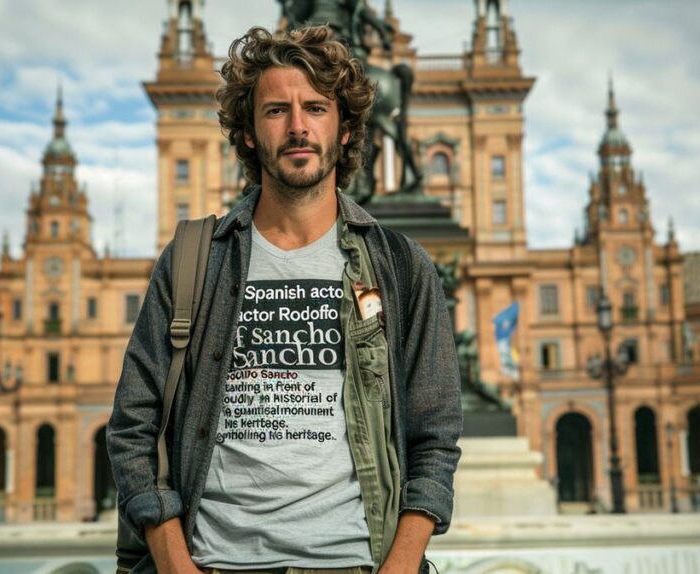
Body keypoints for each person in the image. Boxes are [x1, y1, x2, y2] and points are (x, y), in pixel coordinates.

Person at [107, 25, 463, 574]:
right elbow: (132, 425)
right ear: (248, 133)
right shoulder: (193, 261)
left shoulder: (401, 267)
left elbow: (435, 437)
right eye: (276, 111)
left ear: (344, 129)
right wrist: (175, 564)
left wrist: (400, 567)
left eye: (316, 108)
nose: (298, 127)